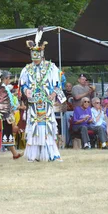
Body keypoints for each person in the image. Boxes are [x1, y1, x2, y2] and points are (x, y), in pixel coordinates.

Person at [19, 27, 65, 162]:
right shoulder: (27, 69)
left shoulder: (51, 67)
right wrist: (25, 90)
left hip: (46, 103)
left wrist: (55, 93)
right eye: (33, 55)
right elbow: (22, 84)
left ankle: (51, 153)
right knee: (34, 126)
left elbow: (60, 80)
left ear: (42, 54)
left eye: (37, 55)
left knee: (48, 126)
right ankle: (33, 155)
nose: (35, 58)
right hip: (33, 103)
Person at [1, 71, 22, 160]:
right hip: (5, 113)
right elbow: (7, 101)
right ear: (5, 79)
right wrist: (14, 108)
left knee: (7, 133)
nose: (9, 80)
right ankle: (14, 153)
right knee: (6, 133)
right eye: (8, 78)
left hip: (6, 112)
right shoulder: (2, 88)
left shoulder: (4, 88)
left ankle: (15, 153)